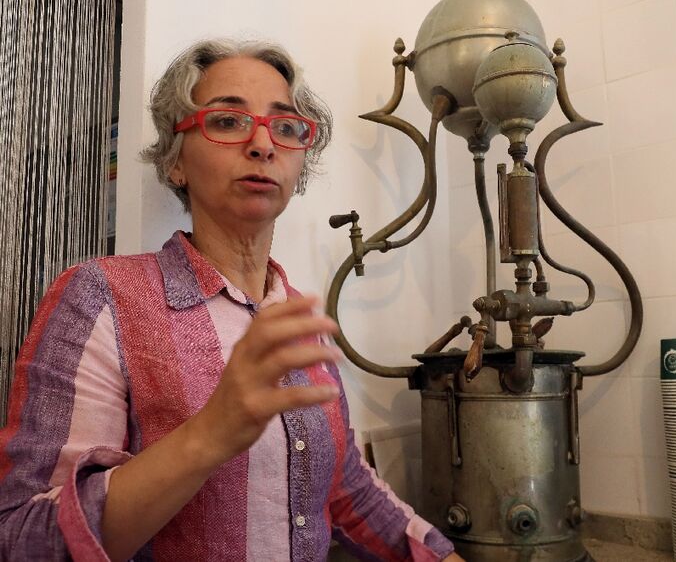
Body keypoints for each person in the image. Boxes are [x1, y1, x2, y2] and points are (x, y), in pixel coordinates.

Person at [0, 38, 462, 561]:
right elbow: (23, 538)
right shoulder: (102, 296)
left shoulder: (294, 316)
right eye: (227, 121)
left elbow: (346, 489)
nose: (264, 145)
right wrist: (212, 433)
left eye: (285, 127)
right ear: (176, 163)